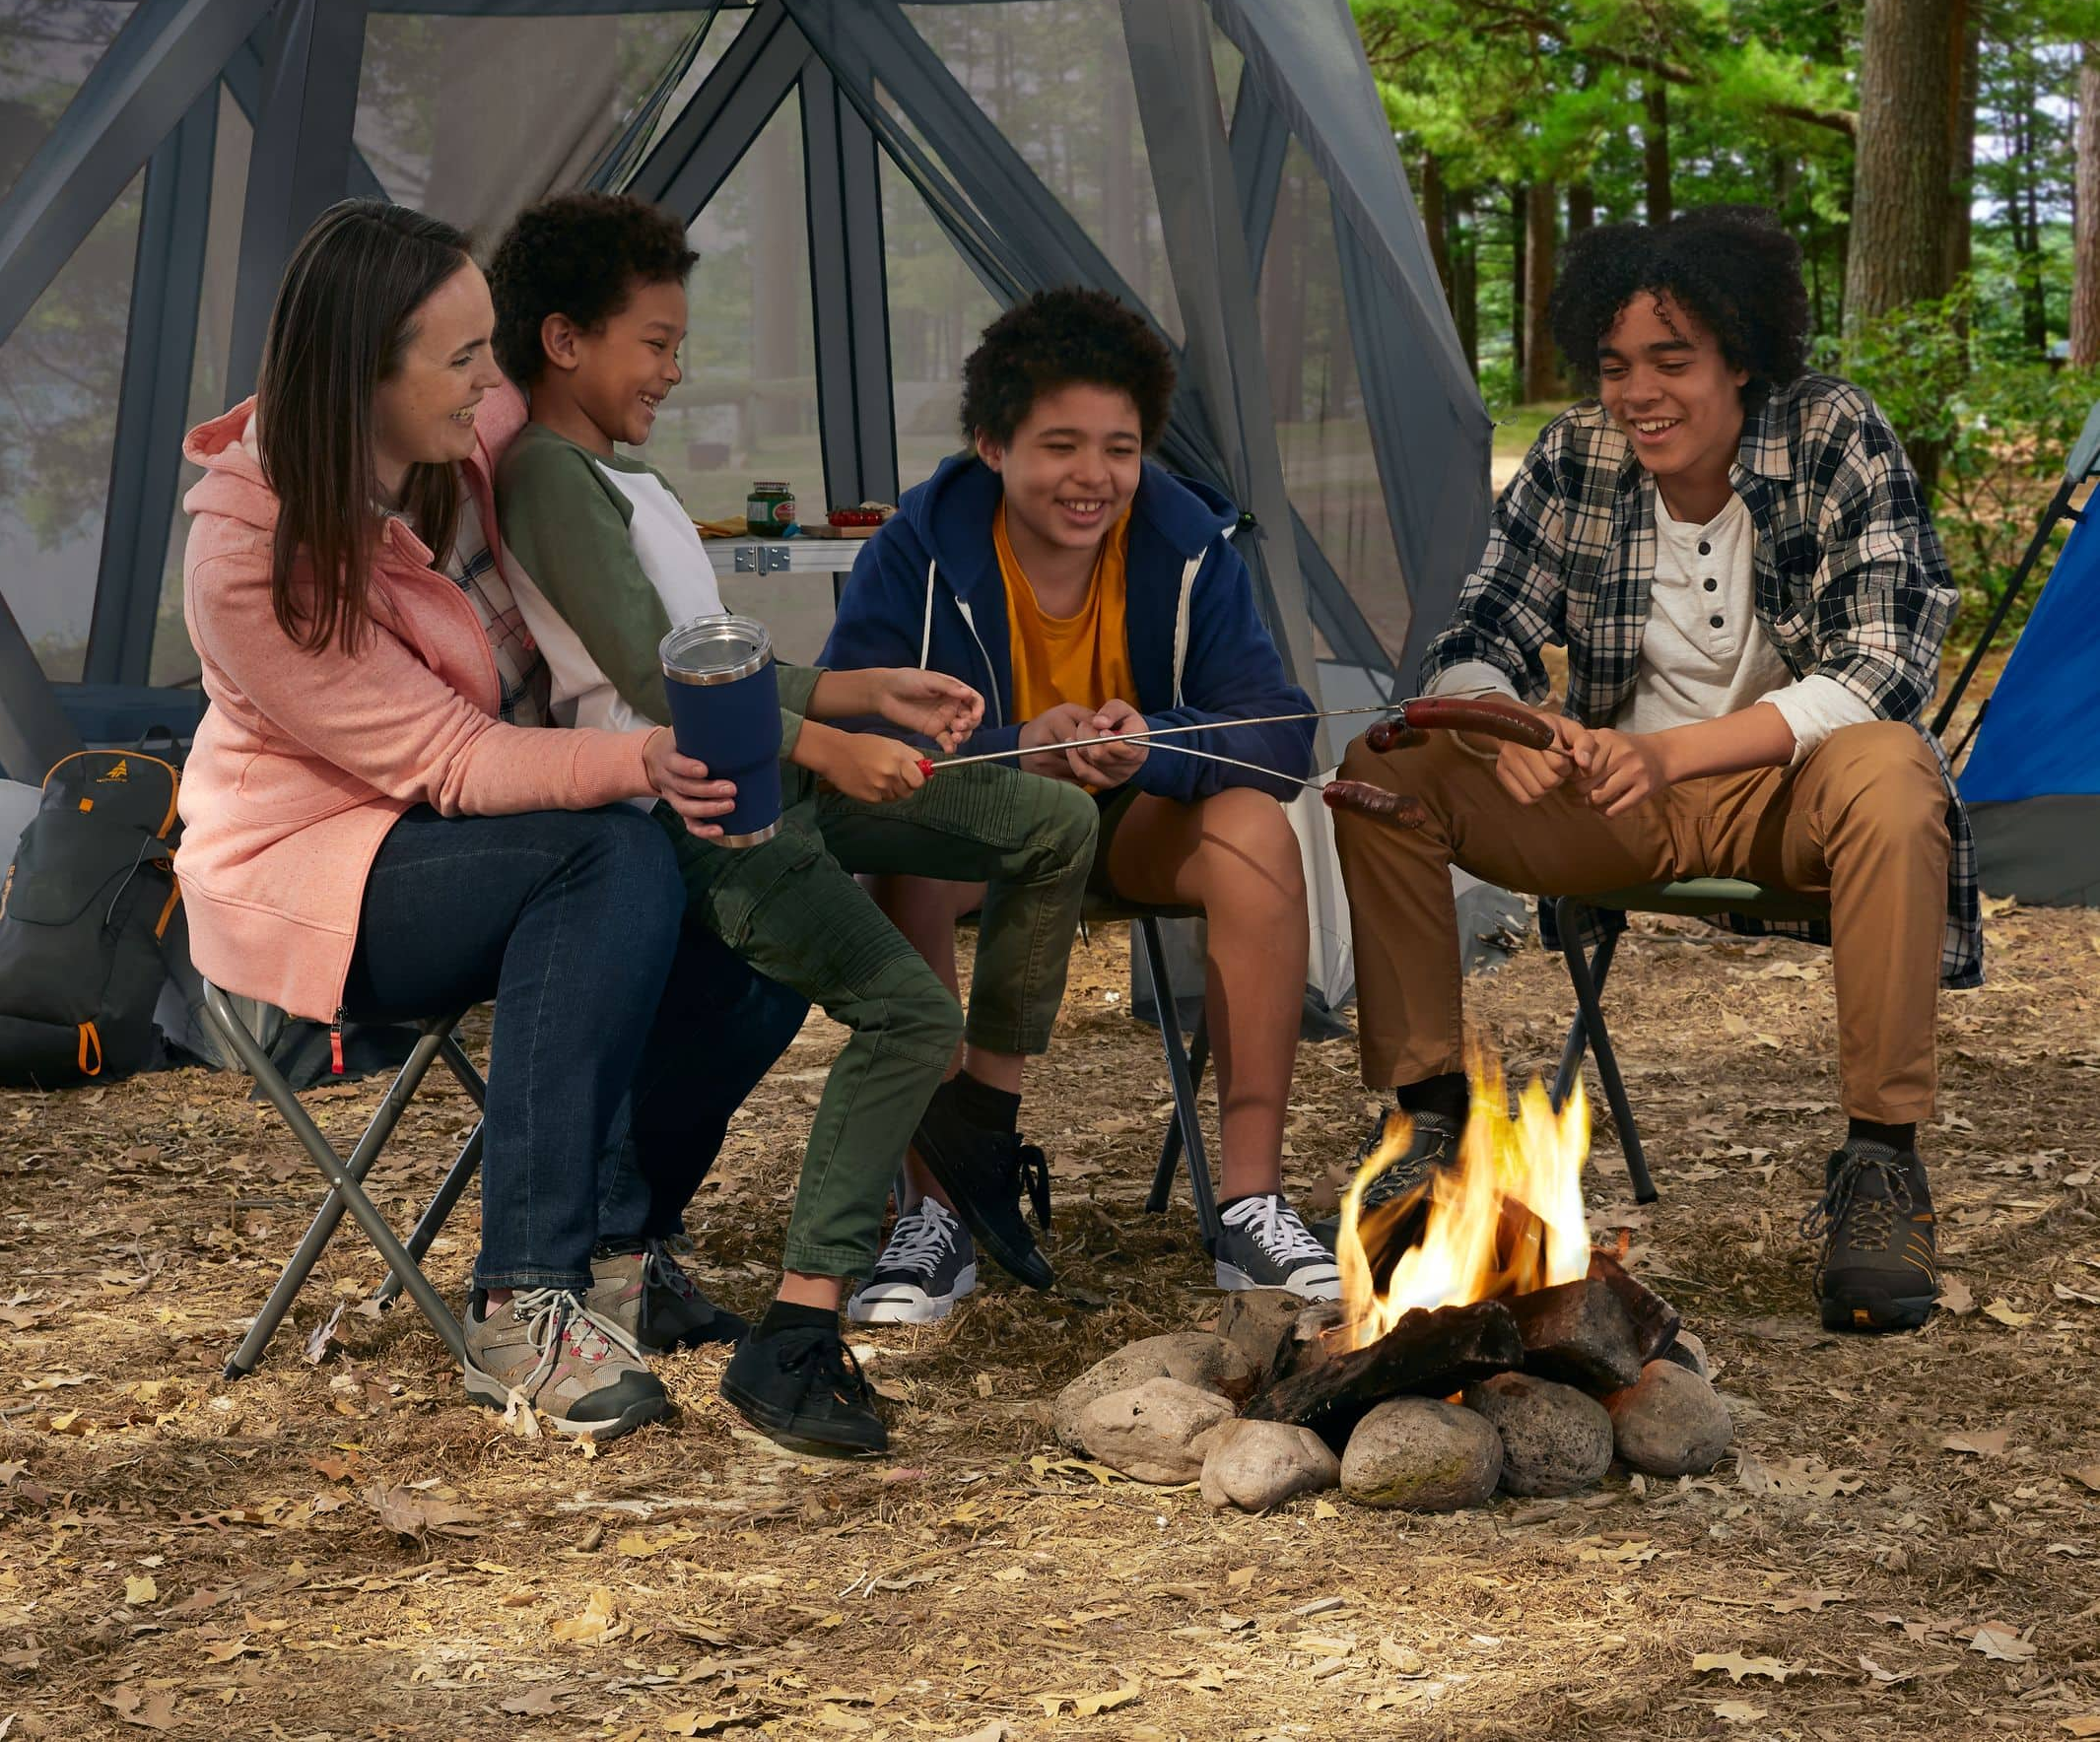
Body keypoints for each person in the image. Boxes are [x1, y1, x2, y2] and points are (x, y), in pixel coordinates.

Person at [174, 198, 806, 1444]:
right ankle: (526, 1299)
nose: (493, 382)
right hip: (325, 874)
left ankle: (626, 1247)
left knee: (774, 923)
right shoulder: (249, 564)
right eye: (463, 358)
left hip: (494, 830)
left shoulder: (463, 434)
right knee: (609, 851)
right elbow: (452, 760)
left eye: (493, 348)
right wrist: (642, 754)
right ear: (364, 370)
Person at [487, 193, 1097, 1459]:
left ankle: (978, 1128)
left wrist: (860, 689)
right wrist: (825, 741)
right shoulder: (545, 475)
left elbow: (712, 657)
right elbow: (660, 691)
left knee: (1048, 822)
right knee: (908, 1009)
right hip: (702, 813)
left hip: (771, 772)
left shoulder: (621, 468)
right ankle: (795, 1337)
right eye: (652, 342)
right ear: (562, 340)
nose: (674, 366)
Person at [1331, 205, 1976, 1335]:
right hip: (1613, 802)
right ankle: (1428, 1127)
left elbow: (1883, 667)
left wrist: (1668, 751)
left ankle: (1881, 1167)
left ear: (1741, 356)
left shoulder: (1832, 432)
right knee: (1386, 764)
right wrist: (1500, 723)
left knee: (1893, 768)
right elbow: (1475, 626)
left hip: (1791, 797)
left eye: (1671, 361)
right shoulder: (1578, 451)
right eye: (1616, 365)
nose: (1639, 394)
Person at [823, 288, 1340, 1318]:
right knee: (909, 855)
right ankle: (937, 1209)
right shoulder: (917, 551)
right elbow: (855, 742)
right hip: (985, 826)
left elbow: (1279, 731)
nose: (1093, 477)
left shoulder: (1188, 544)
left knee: (1253, 826)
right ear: (991, 445)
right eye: (1059, 444)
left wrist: (1151, 744)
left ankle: (1250, 1201)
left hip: (1137, 821)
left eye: (1120, 446)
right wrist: (1026, 750)